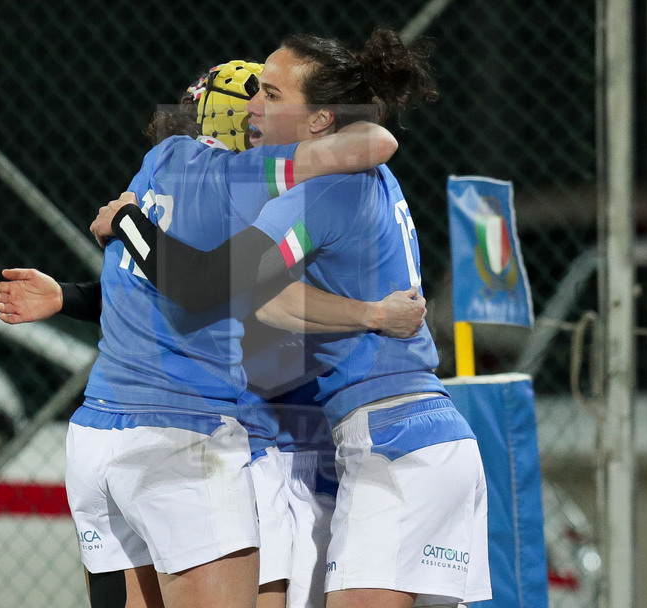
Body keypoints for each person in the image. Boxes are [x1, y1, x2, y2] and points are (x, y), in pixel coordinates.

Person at [0, 57, 425, 608]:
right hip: (183, 434)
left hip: (97, 433)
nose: (266, 111)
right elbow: (374, 144)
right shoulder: (243, 180)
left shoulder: (155, 164)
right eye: (260, 99)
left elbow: (160, 285)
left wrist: (73, 292)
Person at [91, 28, 492, 608]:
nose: (254, 105)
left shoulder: (320, 193)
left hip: (393, 440)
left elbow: (233, 290)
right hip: (416, 437)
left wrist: (131, 223)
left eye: (273, 95)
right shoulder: (362, 174)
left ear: (319, 121)